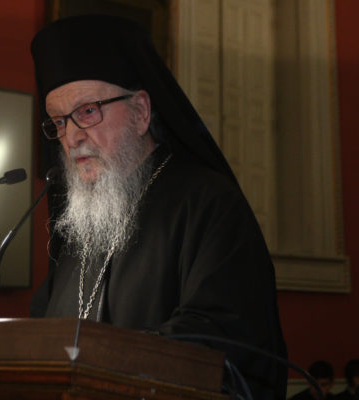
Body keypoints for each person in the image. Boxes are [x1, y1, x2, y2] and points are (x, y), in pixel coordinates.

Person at [29, 14, 287, 399]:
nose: (72, 137)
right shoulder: (81, 228)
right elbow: (39, 338)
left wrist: (101, 359)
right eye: (59, 122)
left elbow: (221, 338)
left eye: (87, 112)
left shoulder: (208, 203)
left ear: (141, 112)